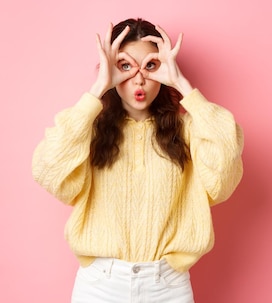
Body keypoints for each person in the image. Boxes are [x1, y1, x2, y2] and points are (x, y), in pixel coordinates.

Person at [31, 18, 244, 303]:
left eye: (151, 66)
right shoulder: (89, 130)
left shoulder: (190, 130)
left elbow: (225, 171)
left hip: (168, 286)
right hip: (99, 286)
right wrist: (98, 88)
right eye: (126, 66)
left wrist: (183, 86)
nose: (139, 79)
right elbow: (48, 169)